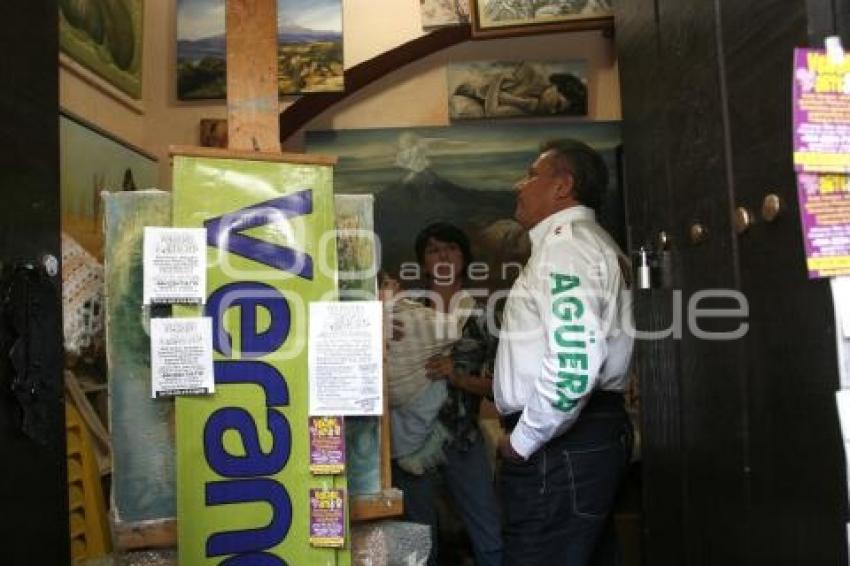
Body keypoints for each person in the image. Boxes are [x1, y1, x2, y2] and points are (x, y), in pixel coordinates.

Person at [494, 139, 633, 565]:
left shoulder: (566, 247)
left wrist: (523, 441)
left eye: (532, 174)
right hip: (580, 437)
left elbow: (575, 361)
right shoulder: (588, 242)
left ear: (562, 186)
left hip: (560, 443)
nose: (520, 185)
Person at [388, 222, 503, 566]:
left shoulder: (484, 315)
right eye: (434, 250)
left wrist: (457, 376)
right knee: (417, 547)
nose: (443, 256)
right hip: (409, 441)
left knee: (489, 537)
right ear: (423, 262)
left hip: (462, 440)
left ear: (464, 257)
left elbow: (501, 388)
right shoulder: (405, 310)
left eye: (450, 248)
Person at [451, 62, 587, 118]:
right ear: (556, 88)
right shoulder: (533, 73)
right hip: (467, 89)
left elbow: (492, 112)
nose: (552, 111)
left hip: (472, 97)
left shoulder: (532, 107)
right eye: (557, 104)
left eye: (557, 111)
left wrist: (497, 82)